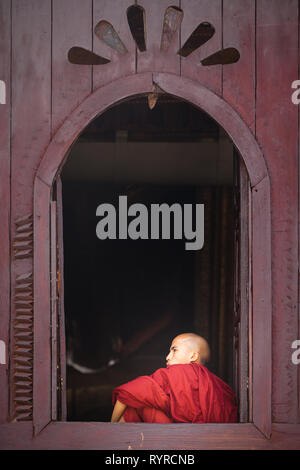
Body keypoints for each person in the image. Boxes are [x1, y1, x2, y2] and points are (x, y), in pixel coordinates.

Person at [111, 333, 237, 423]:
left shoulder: (177, 372)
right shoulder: (220, 387)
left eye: (174, 350)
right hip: (210, 441)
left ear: (193, 356)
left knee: (136, 404)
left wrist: (110, 428)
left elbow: (128, 393)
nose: (167, 357)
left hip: (176, 438)